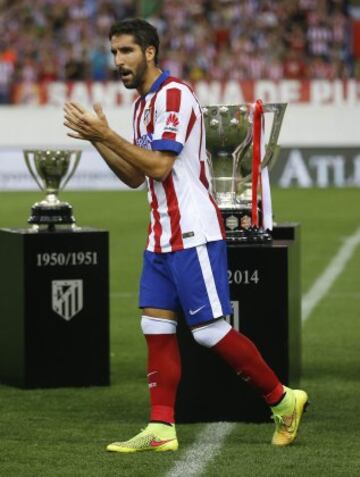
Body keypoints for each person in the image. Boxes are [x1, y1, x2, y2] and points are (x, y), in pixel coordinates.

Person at [63, 18, 309, 453]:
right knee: (154, 326)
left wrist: (106, 133)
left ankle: (283, 400)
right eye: (114, 52)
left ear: (150, 52)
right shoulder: (142, 106)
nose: (118, 61)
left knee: (209, 331)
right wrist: (97, 140)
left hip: (192, 230)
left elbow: (160, 166)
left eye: (127, 51)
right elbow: (136, 177)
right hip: (160, 234)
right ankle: (161, 427)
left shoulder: (173, 96)